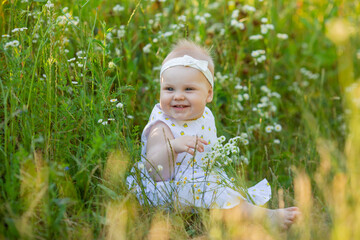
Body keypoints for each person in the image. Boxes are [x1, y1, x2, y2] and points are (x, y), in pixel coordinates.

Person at [127, 39, 300, 230]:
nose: (177, 96)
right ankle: (263, 217)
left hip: (197, 181)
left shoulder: (204, 115)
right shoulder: (162, 125)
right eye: (169, 89)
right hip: (168, 189)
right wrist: (173, 146)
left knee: (224, 193)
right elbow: (155, 170)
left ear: (208, 94)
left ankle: (242, 215)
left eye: (189, 89)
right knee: (216, 194)